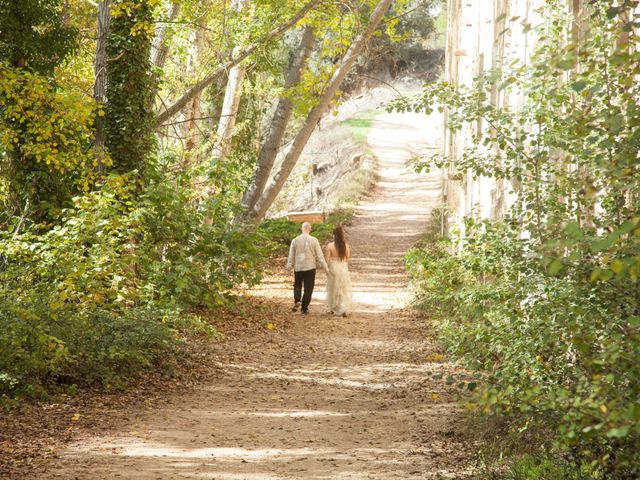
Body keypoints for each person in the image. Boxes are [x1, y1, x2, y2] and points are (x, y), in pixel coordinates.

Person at [287, 222, 328, 314]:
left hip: (298, 267)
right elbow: (320, 256)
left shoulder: (295, 240)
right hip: (310, 267)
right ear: (310, 229)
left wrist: (289, 267)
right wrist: (326, 268)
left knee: (297, 285)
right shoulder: (314, 240)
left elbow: (291, 256)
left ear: (302, 229)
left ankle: (297, 300)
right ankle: (304, 308)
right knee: (308, 288)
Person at [325, 225, 353, 317]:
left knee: (333, 287)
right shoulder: (345, 245)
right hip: (342, 267)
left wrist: (327, 270)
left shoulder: (330, 246)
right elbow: (347, 257)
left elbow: (327, 260)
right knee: (343, 288)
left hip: (333, 267)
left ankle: (334, 308)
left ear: (333, 235)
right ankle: (343, 308)